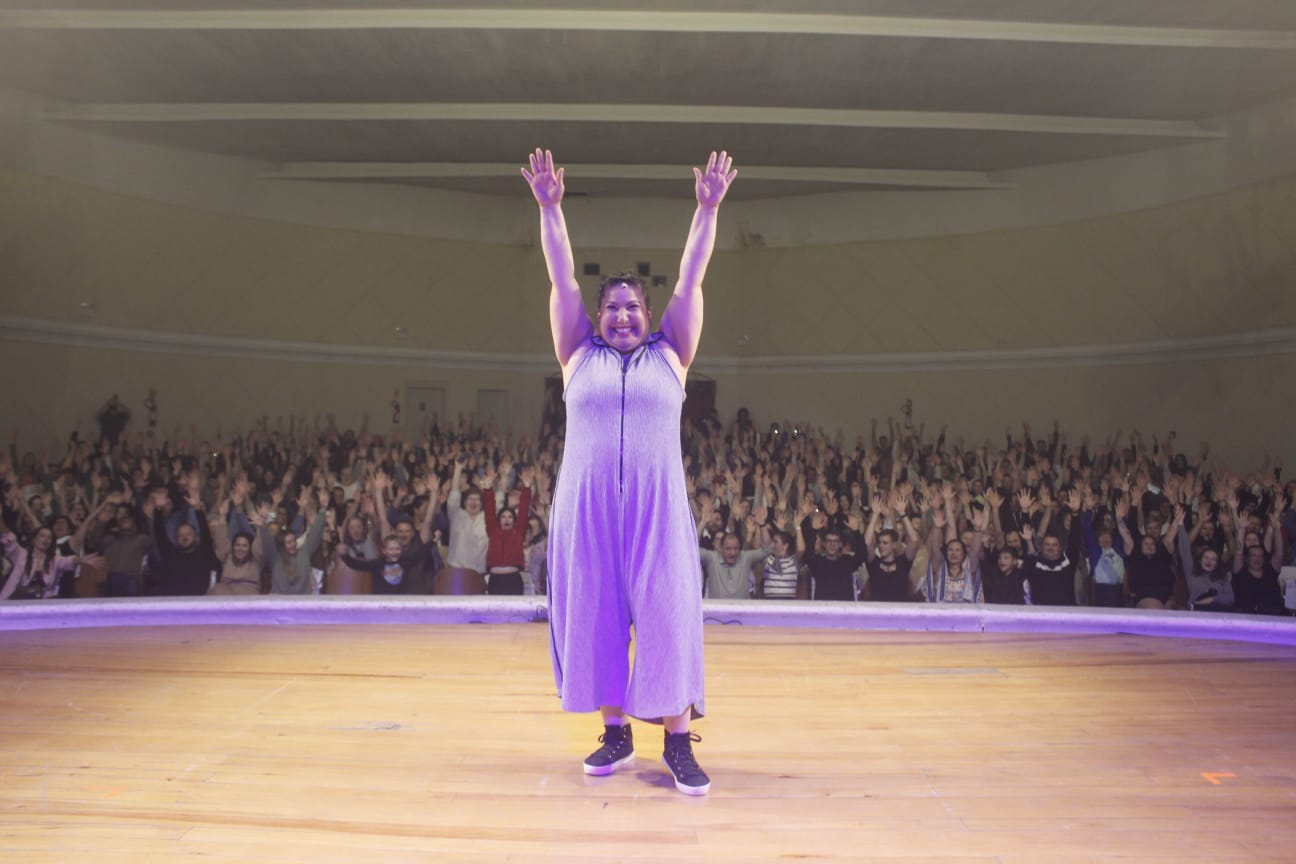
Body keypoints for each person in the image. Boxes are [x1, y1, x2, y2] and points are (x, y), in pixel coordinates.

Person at [523, 147, 735, 795]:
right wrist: (551, 210)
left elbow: (691, 279)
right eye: (610, 306)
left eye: (631, 308)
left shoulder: (671, 356)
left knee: (667, 616)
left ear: (648, 318)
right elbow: (561, 280)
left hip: (658, 506)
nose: (619, 315)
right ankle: (616, 731)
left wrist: (706, 211)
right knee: (595, 616)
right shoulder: (575, 356)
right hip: (585, 509)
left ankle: (676, 740)